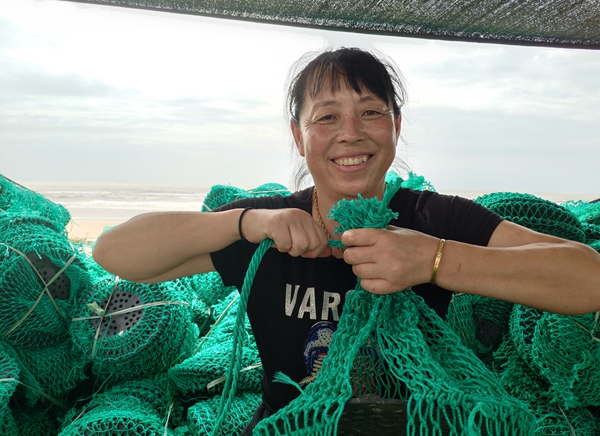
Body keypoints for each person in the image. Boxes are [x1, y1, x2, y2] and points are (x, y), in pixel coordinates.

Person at [92, 47, 600, 433]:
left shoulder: (436, 217)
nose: (350, 132)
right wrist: (245, 223)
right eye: (327, 116)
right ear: (299, 136)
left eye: (371, 112)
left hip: (411, 425)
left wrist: (436, 259)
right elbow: (114, 252)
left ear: (395, 126)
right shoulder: (268, 225)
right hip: (291, 424)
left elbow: (587, 279)